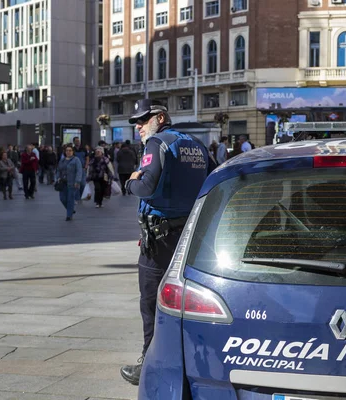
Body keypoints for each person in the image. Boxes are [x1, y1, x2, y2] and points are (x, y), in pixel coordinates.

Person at [120, 99, 216, 386]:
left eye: (142, 119)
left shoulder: (158, 143)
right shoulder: (196, 144)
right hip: (189, 236)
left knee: (151, 303)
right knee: (191, 302)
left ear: (160, 118)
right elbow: (215, 178)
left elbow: (146, 186)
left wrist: (130, 181)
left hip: (159, 241)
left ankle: (150, 365)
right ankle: (198, 362)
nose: (138, 126)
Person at [56, 145, 83, 221]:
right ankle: (70, 210)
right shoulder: (62, 160)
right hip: (62, 182)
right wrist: (57, 177)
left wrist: (77, 181)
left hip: (72, 183)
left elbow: (79, 171)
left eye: (70, 150)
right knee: (62, 198)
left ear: (73, 152)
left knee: (70, 199)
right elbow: (58, 170)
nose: (68, 152)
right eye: (67, 150)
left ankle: (69, 215)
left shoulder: (76, 160)